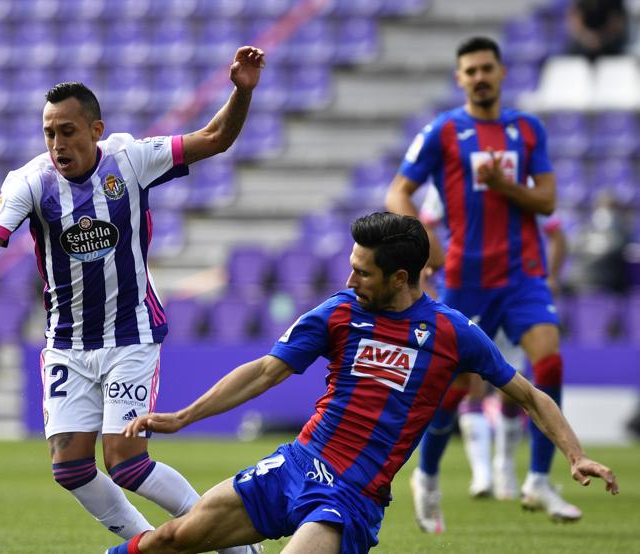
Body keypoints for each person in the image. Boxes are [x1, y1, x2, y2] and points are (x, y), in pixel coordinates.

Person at [104, 212, 618, 554]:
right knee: (168, 541)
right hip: (297, 464)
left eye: (363, 273)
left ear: (401, 277)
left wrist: (575, 456)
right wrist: (185, 415)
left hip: (351, 497)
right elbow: (265, 371)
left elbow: (530, 395)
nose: (350, 281)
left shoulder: (451, 332)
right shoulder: (339, 313)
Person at [0, 47, 265, 552]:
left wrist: (241, 91)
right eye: (49, 132)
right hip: (67, 343)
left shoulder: (130, 159)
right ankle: (151, 544)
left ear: (95, 130)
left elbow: (215, 138)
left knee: (126, 462)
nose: (56, 143)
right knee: (70, 469)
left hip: (130, 334)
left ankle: (234, 544)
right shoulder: (30, 181)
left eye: (67, 130)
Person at [385, 36, 580, 531]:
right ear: (459, 78)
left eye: (486, 68)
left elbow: (549, 202)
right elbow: (398, 191)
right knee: (454, 388)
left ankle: (538, 478)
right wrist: (423, 244)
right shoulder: (444, 131)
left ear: (501, 72)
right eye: (469, 70)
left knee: (550, 360)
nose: (479, 77)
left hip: (523, 276)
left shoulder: (527, 129)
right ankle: (426, 478)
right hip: (467, 282)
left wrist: (504, 187)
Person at [418, 184, 569, 500]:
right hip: (471, 289)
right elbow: (425, 225)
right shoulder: (452, 177)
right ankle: (481, 473)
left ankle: (505, 467)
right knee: (468, 379)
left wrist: (550, 278)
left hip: (515, 292)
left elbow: (556, 232)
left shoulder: (523, 185)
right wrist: (433, 271)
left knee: (512, 386)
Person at [565, 0, 630, 61]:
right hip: (583, 45)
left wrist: (601, 38)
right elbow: (575, 20)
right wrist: (587, 38)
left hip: (610, 44)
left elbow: (617, 23)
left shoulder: (614, 2)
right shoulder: (580, 3)